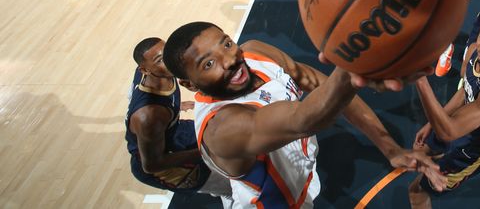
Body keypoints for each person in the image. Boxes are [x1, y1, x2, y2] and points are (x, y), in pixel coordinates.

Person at [162, 22, 445, 208]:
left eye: (225, 43)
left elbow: (321, 86)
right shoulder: (221, 127)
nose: (230, 60)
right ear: (190, 85)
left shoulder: (255, 52)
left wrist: (390, 148)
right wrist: (356, 62)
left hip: (301, 176)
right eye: (209, 63)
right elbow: (304, 119)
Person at [408, 12, 480, 206]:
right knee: (419, 151)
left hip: (475, 148)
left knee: (416, 190)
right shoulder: (475, 51)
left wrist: (420, 79)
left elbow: (449, 131)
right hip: (464, 121)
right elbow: (465, 90)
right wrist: (431, 123)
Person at [125, 38, 233, 205]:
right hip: (162, 165)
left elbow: (132, 96)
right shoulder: (150, 116)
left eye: (167, 51)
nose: (168, 60)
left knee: (225, 137)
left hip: (174, 132)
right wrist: (204, 152)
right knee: (230, 188)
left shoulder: (160, 72)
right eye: (160, 60)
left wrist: (175, 106)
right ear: (145, 70)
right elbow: (152, 164)